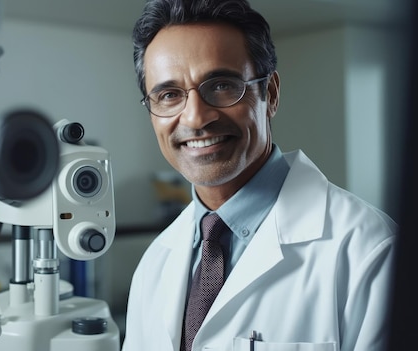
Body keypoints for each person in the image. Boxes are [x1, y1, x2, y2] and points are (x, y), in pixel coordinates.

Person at [121, 0, 397, 350]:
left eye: (221, 85)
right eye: (169, 95)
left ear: (270, 93)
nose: (194, 118)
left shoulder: (370, 252)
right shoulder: (155, 264)